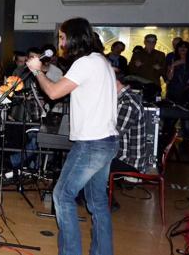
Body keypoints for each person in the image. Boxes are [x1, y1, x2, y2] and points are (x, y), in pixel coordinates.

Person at [26, 17, 118, 255]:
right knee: (97, 203)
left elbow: (54, 92)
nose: (61, 42)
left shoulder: (85, 63)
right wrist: (45, 70)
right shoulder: (101, 61)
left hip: (91, 144)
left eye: (63, 37)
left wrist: (37, 72)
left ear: (74, 37)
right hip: (107, 141)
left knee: (62, 196)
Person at [128, 34, 166, 100]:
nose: (151, 44)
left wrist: (160, 69)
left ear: (155, 43)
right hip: (140, 86)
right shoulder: (137, 54)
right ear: (145, 42)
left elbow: (164, 71)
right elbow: (130, 70)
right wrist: (135, 66)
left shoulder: (161, 54)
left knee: (156, 105)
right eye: (149, 41)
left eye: (153, 42)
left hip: (155, 86)